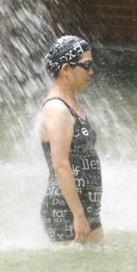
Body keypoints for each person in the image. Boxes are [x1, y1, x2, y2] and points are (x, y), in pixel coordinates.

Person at [39, 35, 103, 244]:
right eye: (86, 66)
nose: (91, 71)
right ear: (66, 68)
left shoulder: (70, 101)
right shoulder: (57, 108)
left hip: (86, 209)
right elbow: (60, 165)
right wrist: (77, 215)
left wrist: (84, 213)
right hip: (65, 213)